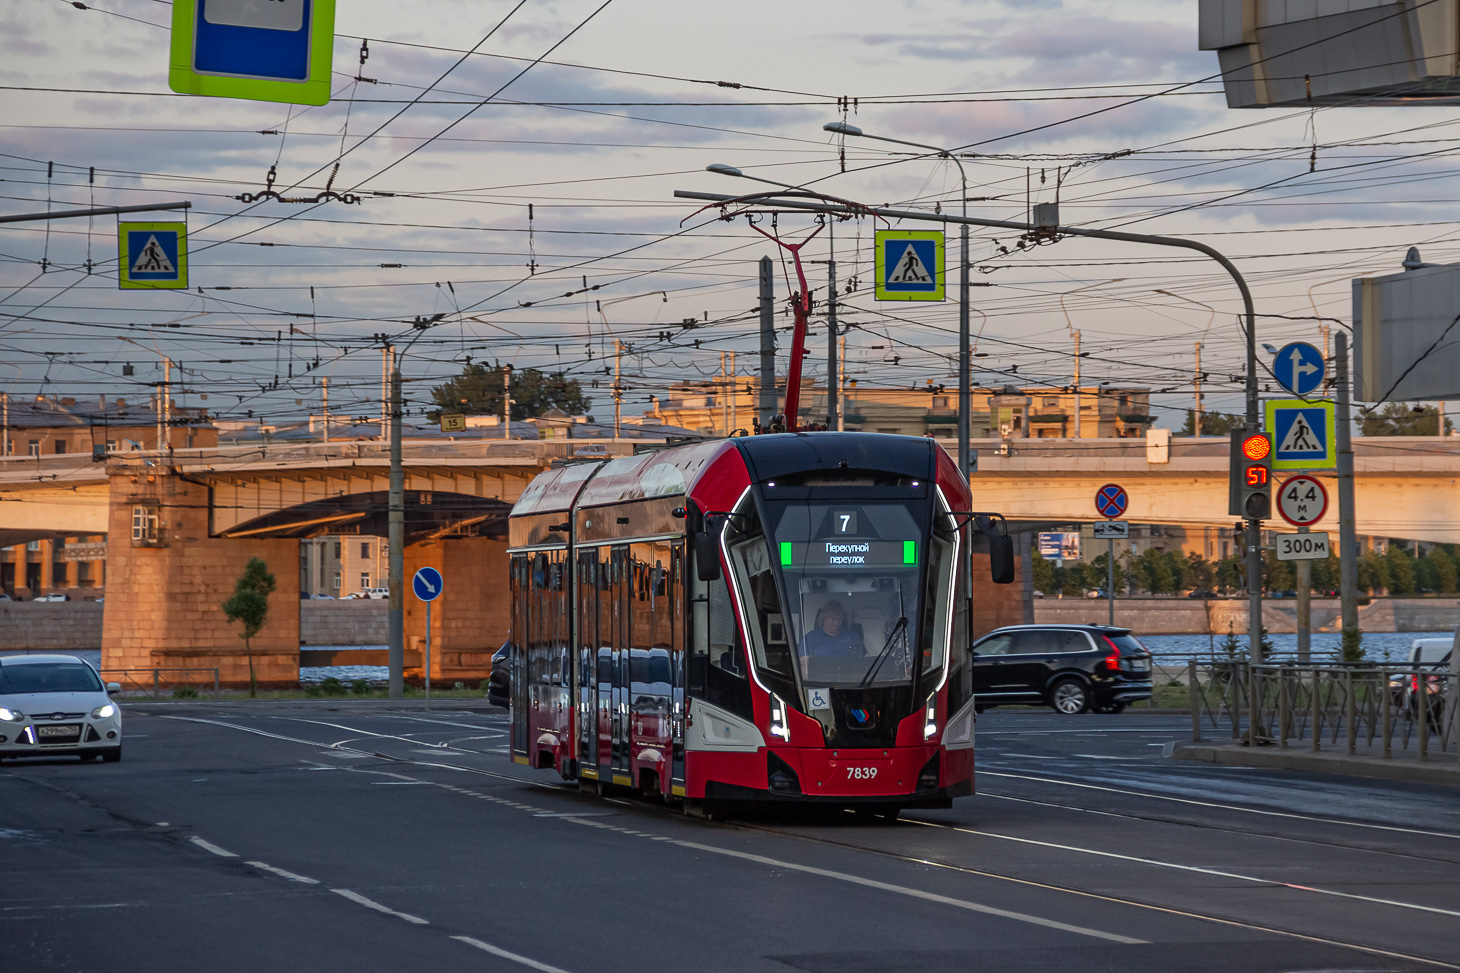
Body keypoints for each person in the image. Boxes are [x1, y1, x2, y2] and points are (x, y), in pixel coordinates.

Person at [799, 600, 865, 670]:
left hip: (848, 675)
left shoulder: (852, 636)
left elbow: (862, 659)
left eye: (839, 619)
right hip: (820, 676)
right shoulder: (810, 638)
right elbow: (804, 662)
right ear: (824, 618)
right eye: (833, 619)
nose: (836, 623)